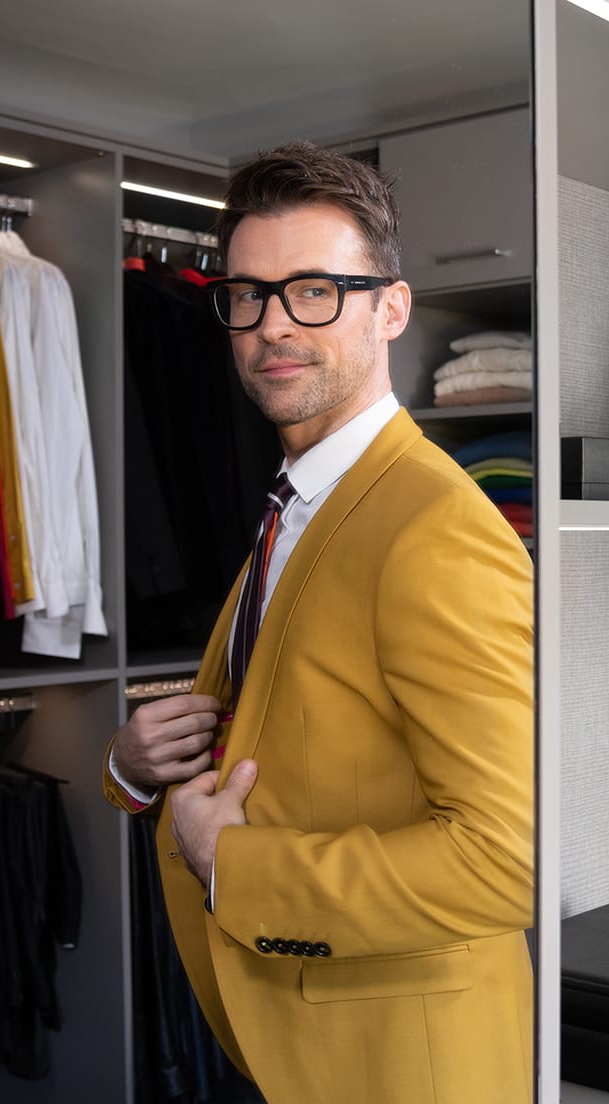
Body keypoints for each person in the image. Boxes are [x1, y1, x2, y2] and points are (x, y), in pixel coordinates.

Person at [102, 142, 536, 1103]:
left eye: (314, 291)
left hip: (403, 1064)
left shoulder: (433, 530)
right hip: (297, 1035)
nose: (272, 327)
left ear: (391, 308)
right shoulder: (299, 500)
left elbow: (506, 861)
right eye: (247, 296)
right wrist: (134, 767)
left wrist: (237, 866)